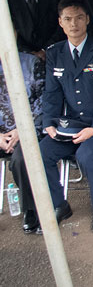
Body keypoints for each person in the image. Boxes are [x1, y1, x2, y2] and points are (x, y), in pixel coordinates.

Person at [40, 0, 93, 232]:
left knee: (87, 153)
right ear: (60, 23)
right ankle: (59, 204)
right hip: (71, 125)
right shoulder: (55, 52)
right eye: (67, 19)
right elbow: (52, 93)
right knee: (41, 153)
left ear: (87, 20)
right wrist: (49, 123)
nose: (73, 24)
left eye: (78, 18)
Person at [0, 42, 45, 234]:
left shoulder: (31, 63)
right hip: (1, 133)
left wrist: (23, 129)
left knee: (21, 159)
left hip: (28, 128)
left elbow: (44, 101)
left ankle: (30, 209)